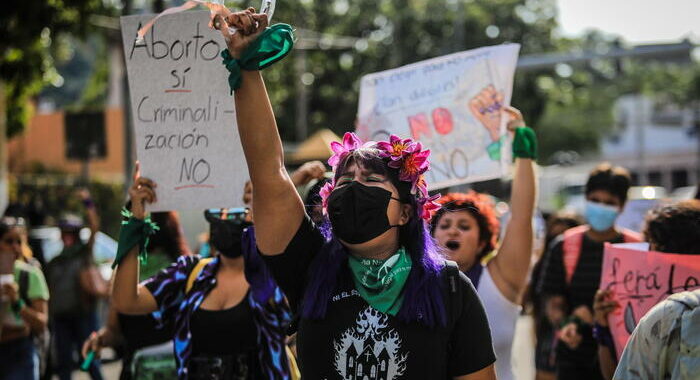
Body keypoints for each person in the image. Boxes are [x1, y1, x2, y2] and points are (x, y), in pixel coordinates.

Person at [214, 8, 496, 379]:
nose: (354, 190)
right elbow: (268, 172)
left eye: (372, 181)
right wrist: (247, 67)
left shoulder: (449, 288)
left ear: (405, 212)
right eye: (345, 182)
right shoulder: (309, 267)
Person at [111, 164, 295, 380]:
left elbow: (298, 312)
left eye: (238, 210)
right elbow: (126, 300)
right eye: (220, 209)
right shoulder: (190, 273)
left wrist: (270, 208)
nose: (226, 217)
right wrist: (134, 221)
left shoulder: (273, 272)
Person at [429, 106, 536, 380]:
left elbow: (521, 218)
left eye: (464, 226)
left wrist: (522, 151)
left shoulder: (501, 278)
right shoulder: (413, 280)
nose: (453, 231)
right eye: (445, 225)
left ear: (482, 242)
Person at [537, 163, 641, 380]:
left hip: (624, 360)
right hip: (574, 360)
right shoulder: (564, 246)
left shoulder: (637, 248)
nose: (601, 207)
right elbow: (553, 300)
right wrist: (567, 324)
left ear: (621, 206)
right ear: (586, 198)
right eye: (595, 200)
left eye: (609, 203)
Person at [591, 200, 700, 379]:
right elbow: (618, 372)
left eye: (653, 247)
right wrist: (604, 328)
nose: (647, 256)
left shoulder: (667, 313)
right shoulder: (646, 315)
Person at [82, 210, 190, 380]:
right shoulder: (187, 271)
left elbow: (113, 329)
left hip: (138, 370)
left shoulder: (123, 275)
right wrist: (101, 339)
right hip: (178, 370)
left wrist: (100, 339)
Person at [45, 189, 107, 380]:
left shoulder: (83, 253)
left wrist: (88, 203)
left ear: (77, 234)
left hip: (84, 316)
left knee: (90, 361)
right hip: (61, 319)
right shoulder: (55, 261)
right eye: (65, 233)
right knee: (64, 365)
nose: (67, 236)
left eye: (71, 233)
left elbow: (95, 226)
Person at [0, 218, 50, 380]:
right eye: (9, 241)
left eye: (18, 241)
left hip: (20, 352)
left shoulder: (30, 274)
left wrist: (16, 302)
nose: (15, 246)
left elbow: (41, 323)